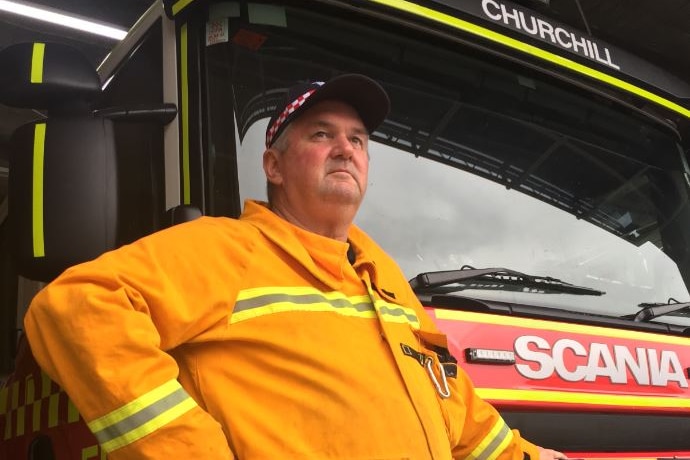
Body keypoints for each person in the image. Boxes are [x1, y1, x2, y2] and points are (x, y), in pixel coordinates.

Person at [24, 74, 566, 459]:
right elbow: (74, 307)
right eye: (321, 134)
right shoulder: (227, 249)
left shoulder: (386, 280)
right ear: (273, 166)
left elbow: (454, 408)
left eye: (357, 140)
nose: (345, 149)